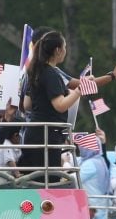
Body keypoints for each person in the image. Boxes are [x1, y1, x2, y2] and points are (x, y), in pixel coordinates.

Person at [18, 31, 80, 169]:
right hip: (46, 136)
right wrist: (78, 91)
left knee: (31, 181)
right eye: (64, 47)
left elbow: (27, 105)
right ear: (57, 50)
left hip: (33, 133)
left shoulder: (35, 70)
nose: (65, 51)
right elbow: (60, 105)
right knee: (47, 182)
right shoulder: (51, 73)